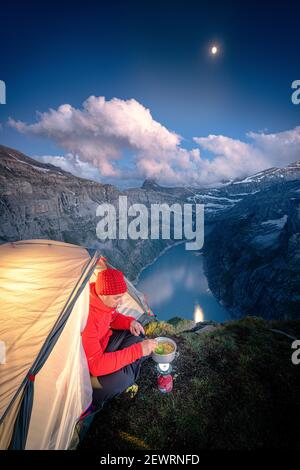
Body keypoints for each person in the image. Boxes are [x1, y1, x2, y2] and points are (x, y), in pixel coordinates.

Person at [81, 265, 157, 409]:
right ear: (103, 294)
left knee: (137, 332)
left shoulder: (101, 299)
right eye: (117, 298)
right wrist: (138, 351)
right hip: (90, 368)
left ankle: (128, 370)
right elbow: (96, 366)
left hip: (104, 343)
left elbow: (113, 317)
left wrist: (130, 322)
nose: (121, 302)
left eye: (122, 296)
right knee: (123, 378)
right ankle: (102, 389)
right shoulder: (87, 318)